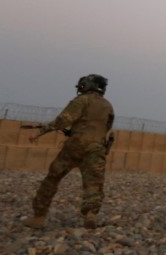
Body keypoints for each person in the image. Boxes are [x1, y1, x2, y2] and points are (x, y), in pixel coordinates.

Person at [23, 74, 115, 230]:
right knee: (93, 183)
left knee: (52, 178)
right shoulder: (108, 106)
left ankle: (38, 216)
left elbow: (63, 120)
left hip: (75, 146)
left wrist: (41, 131)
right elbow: (106, 128)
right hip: (97, 148)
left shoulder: (81, 101)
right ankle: (91, 214)